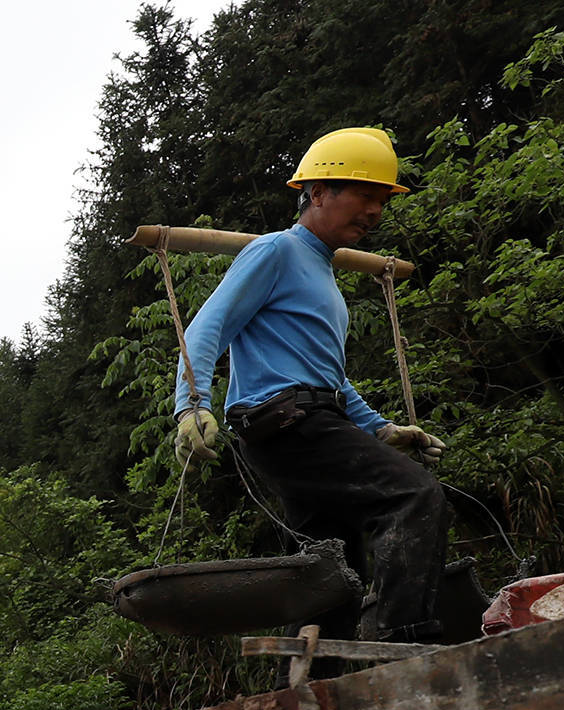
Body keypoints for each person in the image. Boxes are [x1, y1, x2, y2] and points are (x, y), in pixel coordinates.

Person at [173, 127, 454, 645]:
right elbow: (206, 328)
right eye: (364, 196)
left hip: (305, 419)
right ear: (318, 192)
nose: (374, 212)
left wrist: (380, 427)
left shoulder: (320, 271)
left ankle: (310, 683)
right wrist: (191, 405)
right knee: (414, 496)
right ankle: (404, 642)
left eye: (382, 202)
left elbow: (326, 373)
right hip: (289, 422)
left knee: (332, 568)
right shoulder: (276, 251)